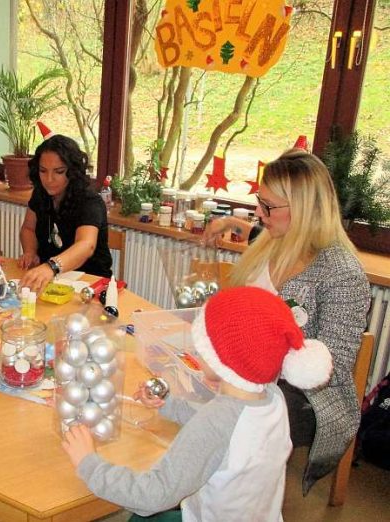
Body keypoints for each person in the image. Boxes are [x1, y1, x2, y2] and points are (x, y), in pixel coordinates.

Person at [63, 286, 334, 522]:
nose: (194, 349)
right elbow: (227, 428)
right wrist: (169, 403)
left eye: (201, 344)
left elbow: (154, 495)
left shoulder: (218, 420)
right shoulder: (272, 398)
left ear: (220, 360)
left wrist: (89, 463)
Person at [204, 148, 371, 493]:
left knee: (217, 425)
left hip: (303, 398)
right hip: (246, 374)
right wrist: (228, 223)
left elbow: (331, 369)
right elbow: (253, 231)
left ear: (305, 210)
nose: (259, 213)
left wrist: (255, 363)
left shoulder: (342, 274)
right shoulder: (272, 240)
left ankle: (207, 496)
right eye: (259, 202)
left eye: (268, 207)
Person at [18, 135, 112, 292]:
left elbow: (86, 245)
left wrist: (51, 267)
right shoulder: (40, 194)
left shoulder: (89, 201)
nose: (49, 179)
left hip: (89, 285)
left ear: (72, 171)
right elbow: (28, 229)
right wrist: (30, 251)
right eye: (43, 171)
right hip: (52, 283)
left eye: (59, 171)